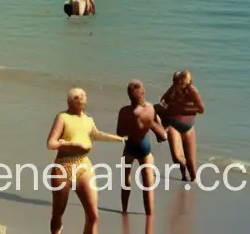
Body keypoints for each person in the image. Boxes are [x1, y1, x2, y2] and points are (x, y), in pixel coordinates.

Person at [46, 87, 124, 234]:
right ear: (69, 102)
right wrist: (70, 144)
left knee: (93, 215)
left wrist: (120, 139)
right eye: (77, 97)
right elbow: (51, 144)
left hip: (83, 165)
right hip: (63, 166)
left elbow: (97, 134)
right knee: (57, 215)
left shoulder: (89, 120)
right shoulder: (62, 117)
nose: (81, 98)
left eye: (83, 95)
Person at [117, 80, 166, 215]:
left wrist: (131, 129)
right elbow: (163, 135)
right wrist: (155, 126)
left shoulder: (124, 111)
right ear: (142, 94)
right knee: (148, 186)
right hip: (144, 150)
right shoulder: (149, 109)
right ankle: (149, 215)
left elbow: (120, 133)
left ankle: (124, 210)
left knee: (125, 180)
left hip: (129, 148)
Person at [157, 70, 205, 183]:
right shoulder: (172, 90)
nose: (176, 83)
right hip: (172, 125)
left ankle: (193, 180)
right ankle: (183, 173)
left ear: (185, 82)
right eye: (174, 81)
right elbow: (162, 102)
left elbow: (201, 109)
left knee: (191, 163)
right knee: (177, 157)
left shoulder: (192, 91)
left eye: (178, 81)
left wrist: (182, 109)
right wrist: (160, 128)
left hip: (188, 127)